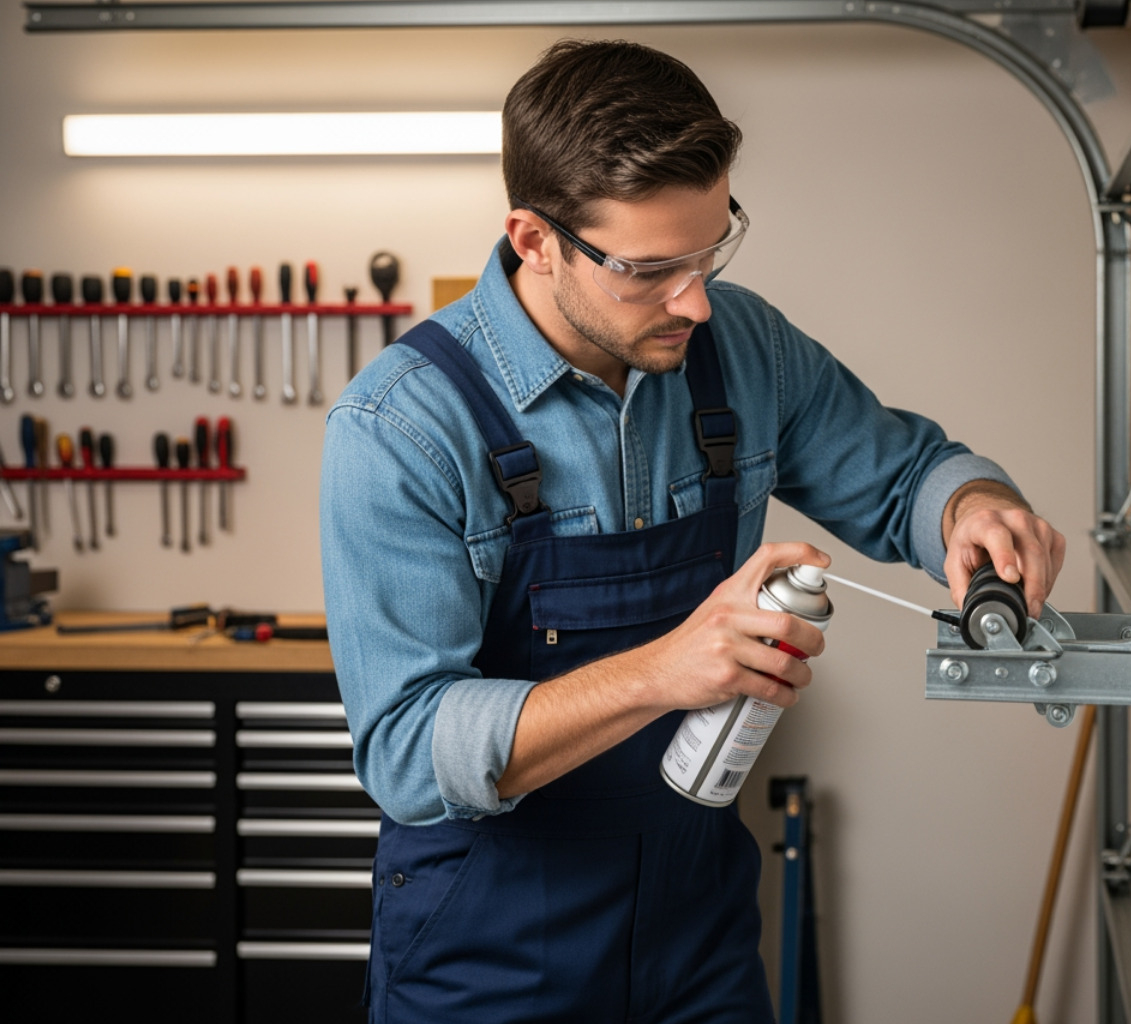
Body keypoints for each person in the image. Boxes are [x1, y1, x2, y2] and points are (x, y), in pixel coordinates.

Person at [320, 38, 1066, 1023]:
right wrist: (661, 672)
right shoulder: (402, 426)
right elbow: (409, 750)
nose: (695, 299)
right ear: (535, 240)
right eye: (650, 269)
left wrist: (973, 507)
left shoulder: (743, 350)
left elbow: (905, 478)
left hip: (697, 934)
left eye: (712, 249)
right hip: (486, 948)